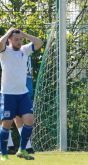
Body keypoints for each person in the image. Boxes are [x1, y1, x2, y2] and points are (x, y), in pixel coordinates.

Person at [0, 28, 43, 160]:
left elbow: (39, 43)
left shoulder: (25, 50)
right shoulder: (4, 52)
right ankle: (3, 153)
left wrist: (23, 34)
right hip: (8, 94)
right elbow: (0, 42)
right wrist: (9, 32)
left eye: (20, 40)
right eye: (16, 39)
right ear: (10, 40)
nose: (19, 42)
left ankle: (22, 150)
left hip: (22, 94)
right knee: (6, 124)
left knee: (29, 120)